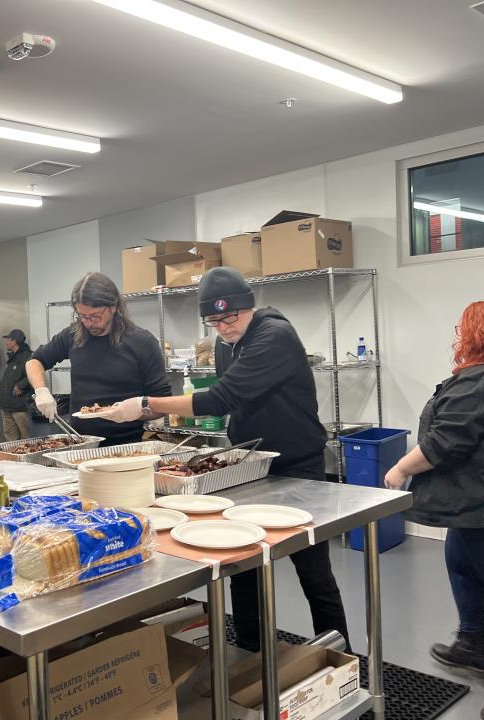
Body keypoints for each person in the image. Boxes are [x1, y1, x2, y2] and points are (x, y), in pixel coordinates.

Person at [107, 266, 349, 651]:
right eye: (213, 320)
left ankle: (343, 660)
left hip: (297, 464)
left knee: (313, 569)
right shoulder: (225, 341)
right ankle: (250, 652)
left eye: (229, 317)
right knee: (243, 564)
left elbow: (221, 399)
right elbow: (230, 400)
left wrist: (147, 406)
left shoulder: (275, 335)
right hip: (251, 464)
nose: (222, 327)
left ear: (248, 306)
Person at [384, 301, 484, 692]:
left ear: (475, 333)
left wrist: (401, 468)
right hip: (474, 502)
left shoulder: (483, 380)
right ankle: (472, 644)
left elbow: (445, 441)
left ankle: (475, 640)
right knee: (460, 561)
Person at [26, 272, 171, 446]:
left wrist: (137, 411)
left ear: (114, 306)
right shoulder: (73, 335)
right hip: (81, 442)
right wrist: (41, 391)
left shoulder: (142, 342)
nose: (88, 323)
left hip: (127, 446)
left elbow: (162, 402)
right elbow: (35, 361)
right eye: (82, 316)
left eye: (95, 316)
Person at [0, 329, 34, 441]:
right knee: (10, 441)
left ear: (14, 341)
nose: (6, 342)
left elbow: (34, 374)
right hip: (7, 406)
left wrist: (20, 386)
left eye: (8, 339)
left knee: (26, 439)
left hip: (19, 406)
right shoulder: (13, 357)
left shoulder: (28, 357)